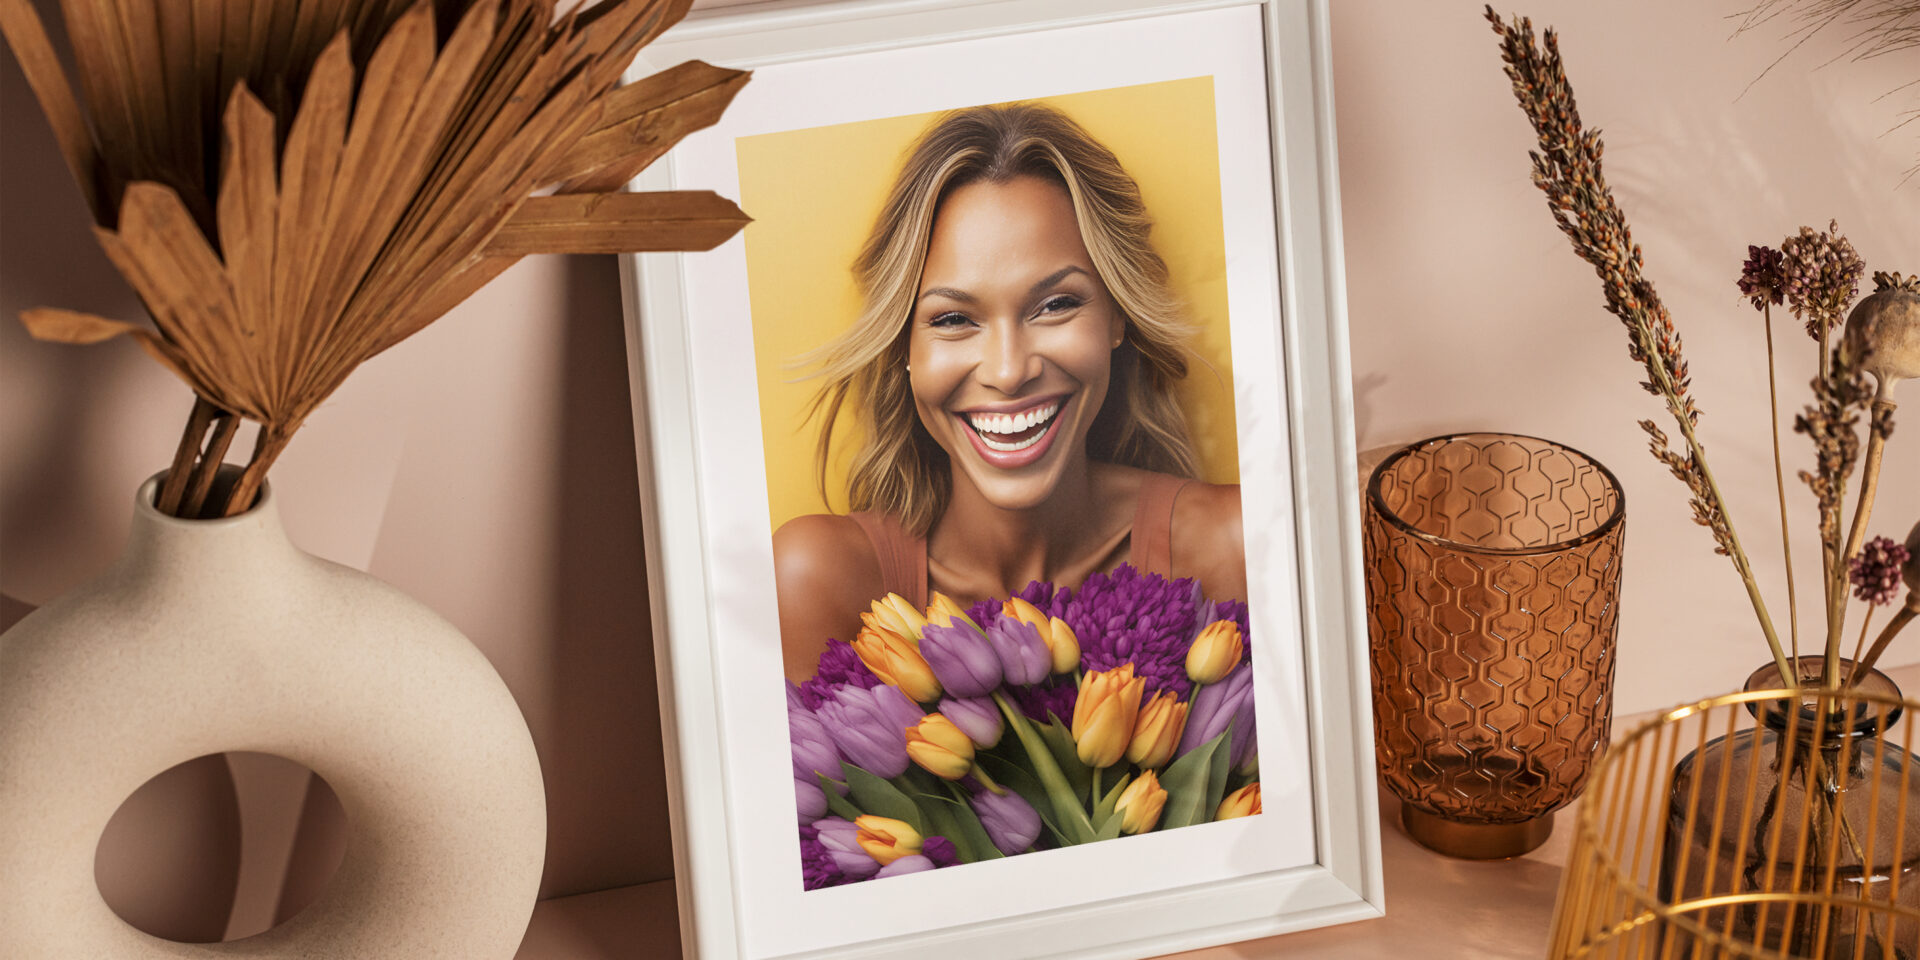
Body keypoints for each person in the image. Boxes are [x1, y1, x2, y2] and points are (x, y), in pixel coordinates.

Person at [773, 102, 1245, 681]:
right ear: (904, 349)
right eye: (952, 319)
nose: (1008, 369)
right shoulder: (819, 580)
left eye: (1055, 305)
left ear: (1117, 317)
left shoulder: (1233, 549)